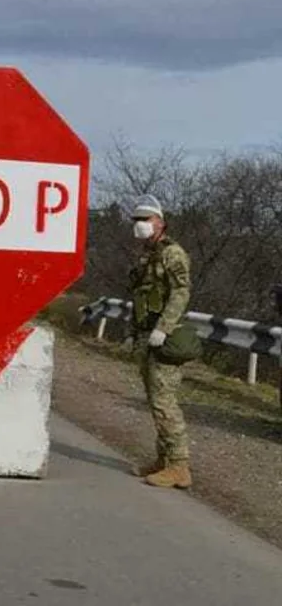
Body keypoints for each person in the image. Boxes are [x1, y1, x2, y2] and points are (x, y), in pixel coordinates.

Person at [127, 194, 193, 489]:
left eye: (145, 219)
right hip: (147, 334)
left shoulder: (172, 253)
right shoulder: (147, 254)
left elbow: (181, 292)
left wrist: (164, 328)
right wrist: (134, 332)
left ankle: (179, 466)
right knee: (155, 401)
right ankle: (164, 460)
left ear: (159, 222)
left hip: (166, 337)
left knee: (164, 402)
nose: (139, 224)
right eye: (136, 220)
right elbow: (139, 296)